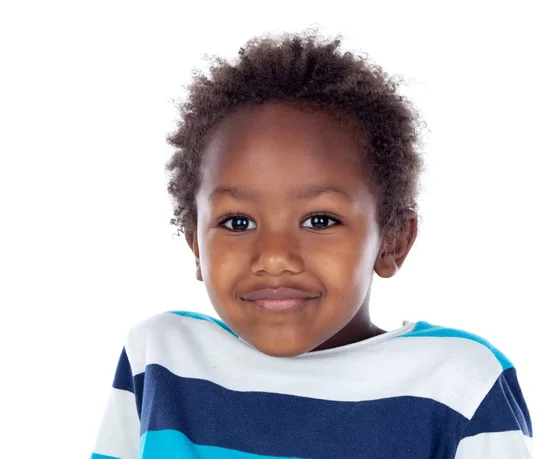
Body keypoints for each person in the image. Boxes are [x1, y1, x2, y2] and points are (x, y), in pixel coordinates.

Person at [91, 30, 532, 459]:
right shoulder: (160, 361)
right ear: (195, 246)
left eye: (320, 220)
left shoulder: (458, 385)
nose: (276, 257)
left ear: (392, 241)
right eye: (237, 221)